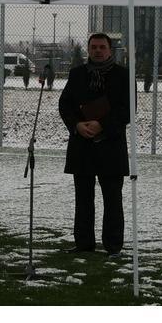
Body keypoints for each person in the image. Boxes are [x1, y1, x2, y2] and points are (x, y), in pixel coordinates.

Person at [58, 32, 130, 258]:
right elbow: (65, 105)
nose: (98, 50)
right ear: (88, 49)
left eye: (102, 47)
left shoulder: (123, 76)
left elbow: (127, 110)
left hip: (111, 146)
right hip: (82, 145)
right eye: (94, 47)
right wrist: (77, 125)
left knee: (112, 199)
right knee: (83, 198)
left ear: (110, 50)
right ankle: (83, 243)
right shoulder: (77, 74)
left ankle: (113, 246)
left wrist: (102, 125)